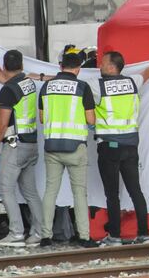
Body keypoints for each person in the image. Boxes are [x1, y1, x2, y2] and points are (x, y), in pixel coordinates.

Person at [92, 49, 149, 246]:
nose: (100, 66)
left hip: (109, 147)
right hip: (130, 146)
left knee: (112, 194)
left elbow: (75, 83)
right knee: (135, 191)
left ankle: (115, 236)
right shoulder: (132, 82)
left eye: (103, 63)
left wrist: (45, 77)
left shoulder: (97, 86)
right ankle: (144, 234)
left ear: (112, 67)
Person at [0, 37, 44, 247]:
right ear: (21, 66)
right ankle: (38, 233)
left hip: (15, 146)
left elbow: (1, 123)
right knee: (30, 192)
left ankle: (16, 234)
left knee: (5, 190)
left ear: (6, 66)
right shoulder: (27, 82)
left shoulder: (8, 90)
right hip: (31, 144)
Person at [39, 51, 98, 248]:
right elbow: (90, 119)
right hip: (75, 147)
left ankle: (45, 236)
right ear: (78, 69)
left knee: (50, 191)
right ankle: (84, 236)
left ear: (60, 67)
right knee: (79, 193)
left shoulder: (47, 87)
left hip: (52, 147)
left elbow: (42, 118)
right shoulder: (82, 87)